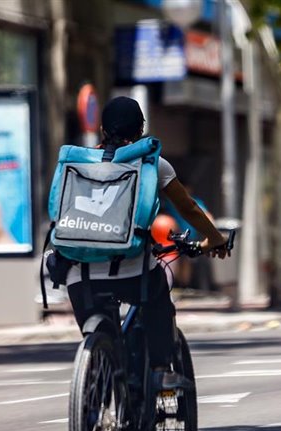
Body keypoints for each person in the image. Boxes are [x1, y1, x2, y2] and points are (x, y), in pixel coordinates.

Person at [65, 96, 229, 389]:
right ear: (141, 129)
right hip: (133, 272)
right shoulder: (153, 163)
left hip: (80, 275)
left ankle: (99, 378)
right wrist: (215, 239)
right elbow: (189, 209)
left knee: (106, 343)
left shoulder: (77, 162)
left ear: (102, 128)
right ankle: (161, 367)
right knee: (159, 301)